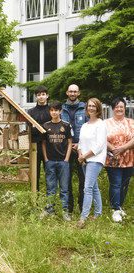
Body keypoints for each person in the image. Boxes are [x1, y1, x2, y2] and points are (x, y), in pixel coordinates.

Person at [77, 98, 107, 228]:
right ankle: (98, 214)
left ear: (98, 108)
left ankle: (83, 218)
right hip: (85, 159)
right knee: (94, 187)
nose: (91, 108)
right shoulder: (85, 125)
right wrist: (80, 156)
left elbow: (99, 146)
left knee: (87, 188)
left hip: (95, 159)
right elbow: (80, 143)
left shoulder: (101, 125)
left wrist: (84, 156)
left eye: (93, 106)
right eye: (89, 106)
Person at [41, 101, 73, 221]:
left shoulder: (66, 125)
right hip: (50, 161)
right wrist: (45, 158)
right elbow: (43, 143)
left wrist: (66, 159)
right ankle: (50, 210)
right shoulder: (46, 126)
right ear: (50, 111)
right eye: (52, 110)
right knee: (51, 188)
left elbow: (70, 142)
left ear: (60, 111)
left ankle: (65, 212)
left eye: (56, 110)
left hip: (63, 162)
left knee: (64, 188)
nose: (54, 112)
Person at [104, 97, 134, 222]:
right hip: (112, 159)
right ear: (113, 108)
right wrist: (113, 150)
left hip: (129, 159)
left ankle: (119, 206)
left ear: (125, 108)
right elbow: (102, 139)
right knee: (115, 184)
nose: (119, 109)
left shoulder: (131, 122)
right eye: (117, 107)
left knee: (124, 184)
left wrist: (122, 148)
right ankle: (115, 209)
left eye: (121, 106)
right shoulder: (105, 123)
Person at [61, 84, 88, 213]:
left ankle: (82, 206)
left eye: (75, 92)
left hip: (82, 148)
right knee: (66, 178)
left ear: (78, 93)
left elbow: (89, 128)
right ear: (67, 93)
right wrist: (68, 144)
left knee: (83, 178)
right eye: (70, 91)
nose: (72, 94)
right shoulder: (62, 109)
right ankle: (69, 207)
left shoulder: (85, 108)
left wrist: (79, 144)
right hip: (66, 148)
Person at [27, 85, 52, 191]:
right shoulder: (31, 112)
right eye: (38, 95)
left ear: (47, 96)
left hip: (50, 146)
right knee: (34, 174)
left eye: (43, 95)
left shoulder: (52, 110)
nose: (41, 97)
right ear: (36, 97)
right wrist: (44, 129)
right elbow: (29, 130)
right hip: (35, 146)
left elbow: (53, 129)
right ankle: (34, 201)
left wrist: (39, 128)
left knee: (50, 175)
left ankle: (49, 202)